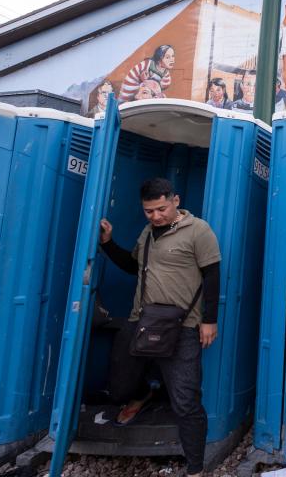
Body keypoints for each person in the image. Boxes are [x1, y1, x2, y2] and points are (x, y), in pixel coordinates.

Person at [98, 178, 220, 477]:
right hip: (140, 322)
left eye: (161, 209)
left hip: (182, 328)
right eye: (148, 211)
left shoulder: (199, 230)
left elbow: (213, 276)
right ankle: (143, 394)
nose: (155, 216)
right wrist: (107, 244)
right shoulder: (148, 232)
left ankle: (194, 468)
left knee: (185, 401)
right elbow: (133, 266)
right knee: (119, 386)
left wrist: (209, 321)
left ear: (175, 200)